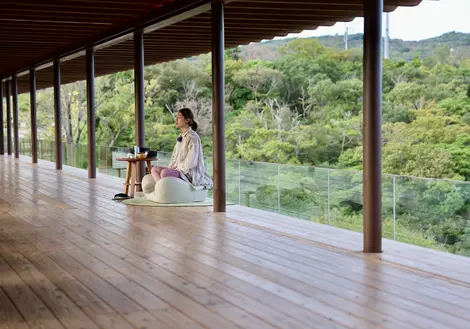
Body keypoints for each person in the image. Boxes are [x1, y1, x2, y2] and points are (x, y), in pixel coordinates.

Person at [151, 108, 213, 189]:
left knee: (164, 173)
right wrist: (171, 167)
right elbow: (174, 157)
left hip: (187, 173)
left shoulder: (193, 137)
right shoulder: (181, 137)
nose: (176, 119)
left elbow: (191, 162)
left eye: (179, 117)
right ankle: (162, 189)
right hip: (178, 170)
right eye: (176, 117)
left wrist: (176, 168)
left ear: (187, 120)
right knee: (154, 169)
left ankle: (163, 190)